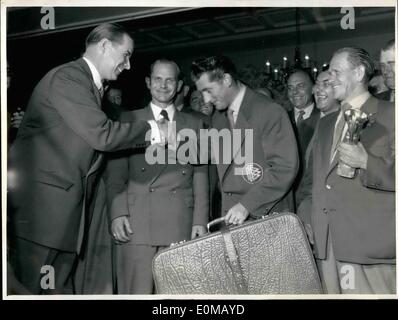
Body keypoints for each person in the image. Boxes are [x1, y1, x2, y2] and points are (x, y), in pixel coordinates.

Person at [7, 23, 168, 294]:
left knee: (55, 291)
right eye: (126, 55)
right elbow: (102, 135)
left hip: (60, 218)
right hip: (43, 218)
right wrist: (152, 129)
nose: (128, 65)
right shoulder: (69, 78)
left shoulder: (90, 86)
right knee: (31, 291)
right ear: (104, 46)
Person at [105, 58, 209, 294]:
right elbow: (115, 174)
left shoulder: (194, 123)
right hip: (137, 222)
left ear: (179, 85)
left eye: (170, 80)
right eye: (158, 79)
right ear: (148, 83)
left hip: (180, 222)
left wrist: (200, 220)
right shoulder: (128, 119)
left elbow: (201, 175)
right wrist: (118, 212)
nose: (163, 85)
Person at [307, 47, 395, 293]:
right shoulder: (324, 124)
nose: (329, 77)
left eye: (336, 71)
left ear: (358, 73)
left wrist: (367, 162)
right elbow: (314, 183)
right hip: (328, 245)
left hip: (368, 247)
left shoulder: (391, 114)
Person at [191, 55, 298, 226]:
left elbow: (284, 168)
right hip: (233, 220)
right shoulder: (219, 118)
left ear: (226, 79)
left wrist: (247, 205)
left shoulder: (269, 111)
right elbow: (206, 153)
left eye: (208, 91)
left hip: (267, 219)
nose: (206, 100)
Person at [286, 69, 320, 209]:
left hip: (312, 196)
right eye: (290, 88)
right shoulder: (280, 118)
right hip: (285, 196)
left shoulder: (324, 118)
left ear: (313, 89)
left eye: (300, 86)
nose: (294, 92)